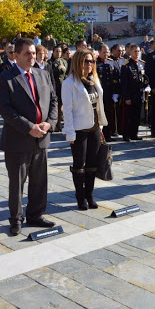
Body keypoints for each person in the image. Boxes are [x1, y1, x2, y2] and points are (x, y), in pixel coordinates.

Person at [0, 38, 58, 236]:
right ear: (16, 55)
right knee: (17, 183)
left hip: (41, 138)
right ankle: (16, 219)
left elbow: (54, 100)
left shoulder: (43, 74)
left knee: (39, 181)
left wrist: (50, 123)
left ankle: (36, 215)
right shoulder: (6, 78)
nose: (32, 57)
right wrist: (29, 127)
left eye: (33, 53)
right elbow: (6, 110)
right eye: (27, 54)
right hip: (18, 140)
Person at [62, 48, 107, 210]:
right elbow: (66, 111)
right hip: (79, 130)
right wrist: (70, 133)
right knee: (79, 165)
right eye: (86, 61)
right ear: (78, 62)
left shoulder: (94, 80)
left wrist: (100, 125)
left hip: (95, 128)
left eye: (92, 61)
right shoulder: (69, 83)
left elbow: (98, 106)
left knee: (92, 164)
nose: (89, 64)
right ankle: (80, 197)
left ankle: (90, 194)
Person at [120, 44, 148, 141]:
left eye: (138, 51)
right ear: (130, 52)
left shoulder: (141, 64)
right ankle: (126, 134)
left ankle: (134, 133)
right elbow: (124, 83)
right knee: (128, 116)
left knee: (136, 115)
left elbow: (144, 78)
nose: (137, 53)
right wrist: (126, 97)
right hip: (130, 94)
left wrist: (146, 86)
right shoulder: (126, 65)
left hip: (139, 94)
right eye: (135, 51)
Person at [96, 45, 119, 141]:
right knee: (99, 115)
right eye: (104, 52)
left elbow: (115, 78)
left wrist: (115, 92)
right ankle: (99, 136)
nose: (106, 54)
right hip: (99, 94)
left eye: (107, 52)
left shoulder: (111, 63)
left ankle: (107, 135)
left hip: (109, 94)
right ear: (99, 52)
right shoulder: (95, 64)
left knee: (108, 114)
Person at [48, 45, 68, 132]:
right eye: (56, 51)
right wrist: (57, 69)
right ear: (53, 52)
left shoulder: (63, 61)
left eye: (60, 51)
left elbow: (67, 72)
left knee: (62, 106)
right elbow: (49, 73)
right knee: (55, 106)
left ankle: (59, 123)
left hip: (63, 85)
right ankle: (54, 124)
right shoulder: (50, 62)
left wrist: (63, 69)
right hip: (54, 86)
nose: (58, 53)